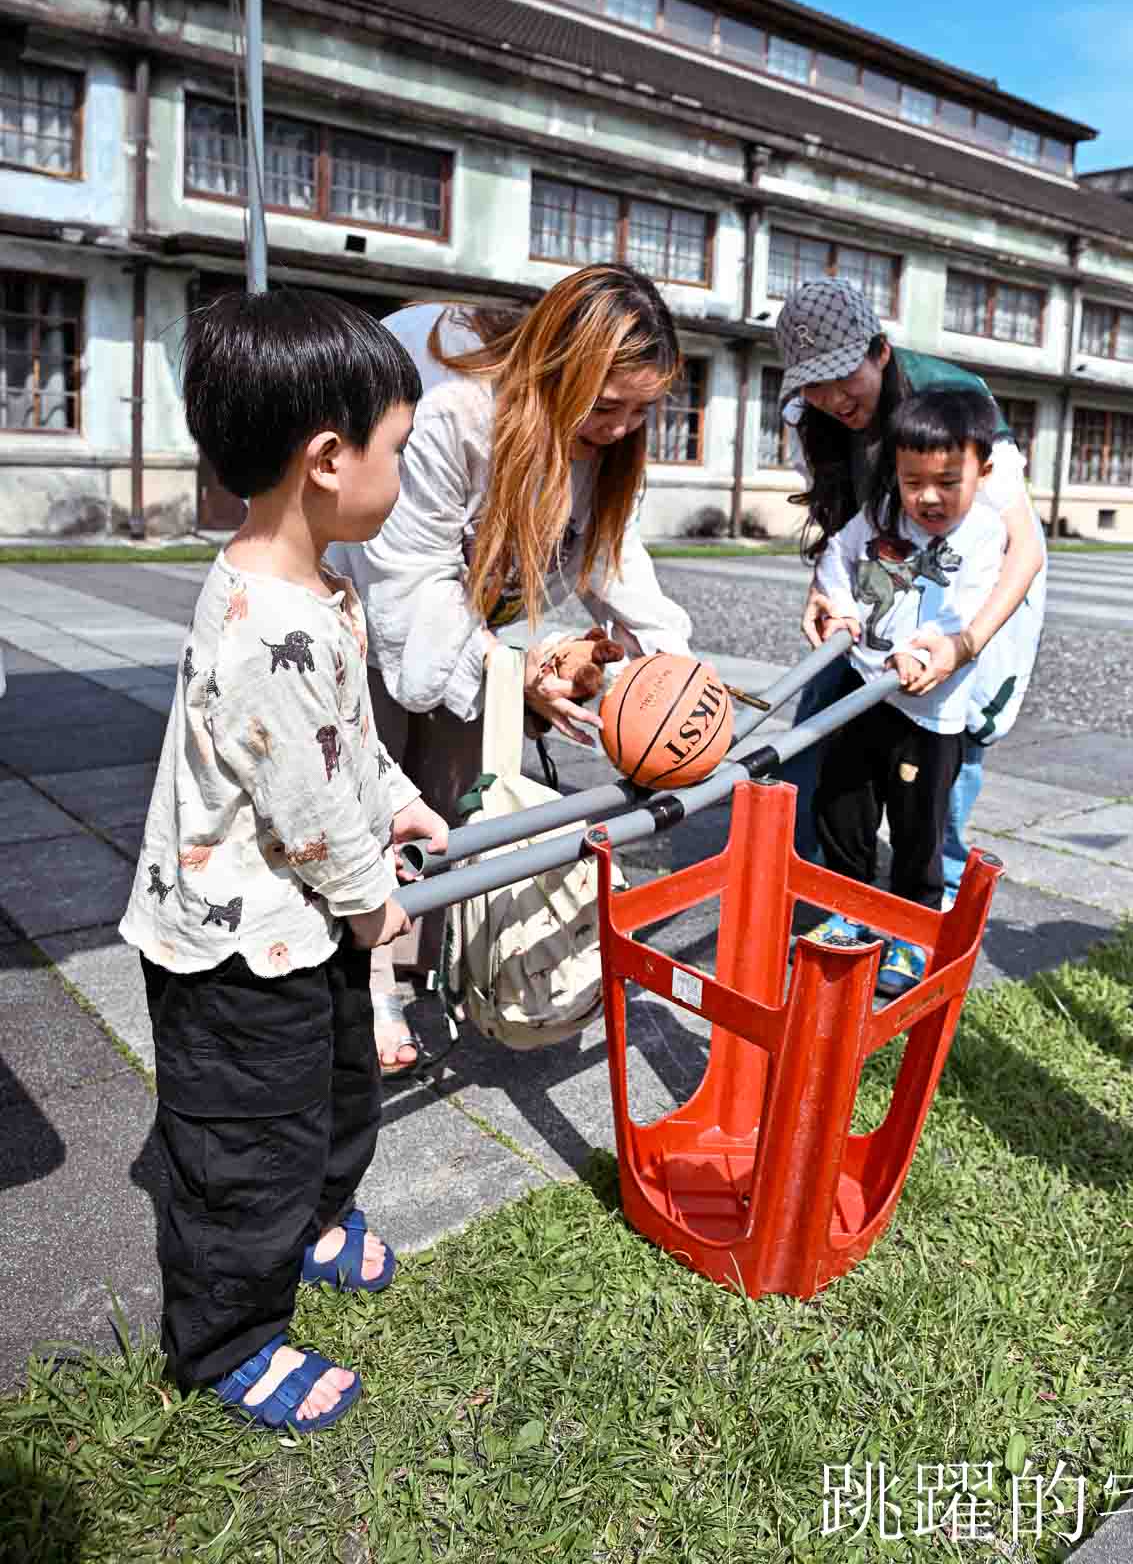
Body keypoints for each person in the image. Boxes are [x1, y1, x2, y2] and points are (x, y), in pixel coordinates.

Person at [119, 289, 449, 1433]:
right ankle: (227, 1340)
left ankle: (316, 1219)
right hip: (229, 949)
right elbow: (306, 806)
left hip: (291, 927)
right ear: (326, 458)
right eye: (397, 450)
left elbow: (344, 748)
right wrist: (373, 910)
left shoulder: (321, 594)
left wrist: (400, 798)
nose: (401, 474)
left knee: (333, 1095)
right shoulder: (264, 622)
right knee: (241, 1154)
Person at [330, 264, 693, 1072]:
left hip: (458, 608)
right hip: (362, 588)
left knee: (452, 778)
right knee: (365, 779)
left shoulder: (601, 436)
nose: (621, 429)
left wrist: (670, 659)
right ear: (557, 371)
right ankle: (368, 983)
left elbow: (609, 550)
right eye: (605, 406)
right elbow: (412, 588)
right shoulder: (450, 410)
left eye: (642, 410)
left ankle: (418, 960)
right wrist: (517, 672)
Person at [775, 276, 1046, 897]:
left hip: (975, 576)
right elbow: (842, 528)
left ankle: (933, 902)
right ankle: (837, 889)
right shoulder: (810, 419)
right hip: (887, 566)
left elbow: (1021, 547)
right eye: (814, 383)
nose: (833, 397)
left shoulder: (952, 404)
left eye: (846, 376)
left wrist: (967, 644)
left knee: (950, 737)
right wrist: (824, 594)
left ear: (881, 351)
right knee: (827, 724)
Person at [811, 389, 1006, 908]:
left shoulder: (984, 533)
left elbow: (964, 612)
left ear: (982, 474)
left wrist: (919, 653)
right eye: (912, 482)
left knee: (920, 827)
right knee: (842, 806)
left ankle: (912, 925)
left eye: (947, 483)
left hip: (928, 713)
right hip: (862, 690)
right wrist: (840, 605)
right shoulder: (881, 514)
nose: (928, 498)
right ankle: (845, 912)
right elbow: (838, 554)